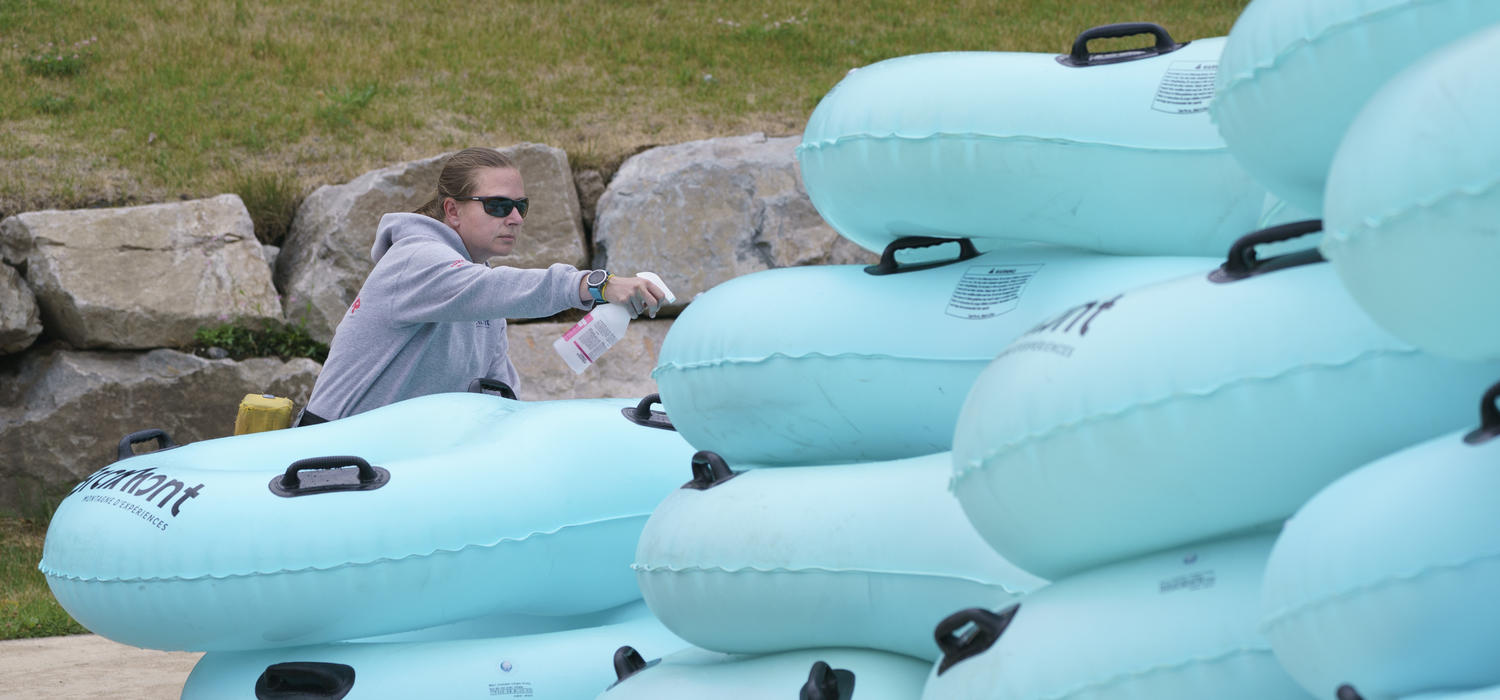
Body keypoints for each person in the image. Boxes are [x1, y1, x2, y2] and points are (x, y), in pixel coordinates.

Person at [297, 147, 665, 425]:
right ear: (453, 211)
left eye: (521, 205)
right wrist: (595, 284)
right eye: (498, 206)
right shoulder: (416, 259)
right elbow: (495, 288)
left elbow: (498, 392)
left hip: (392, 455)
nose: (516, 218)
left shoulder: (478, 290)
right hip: (330, 452)